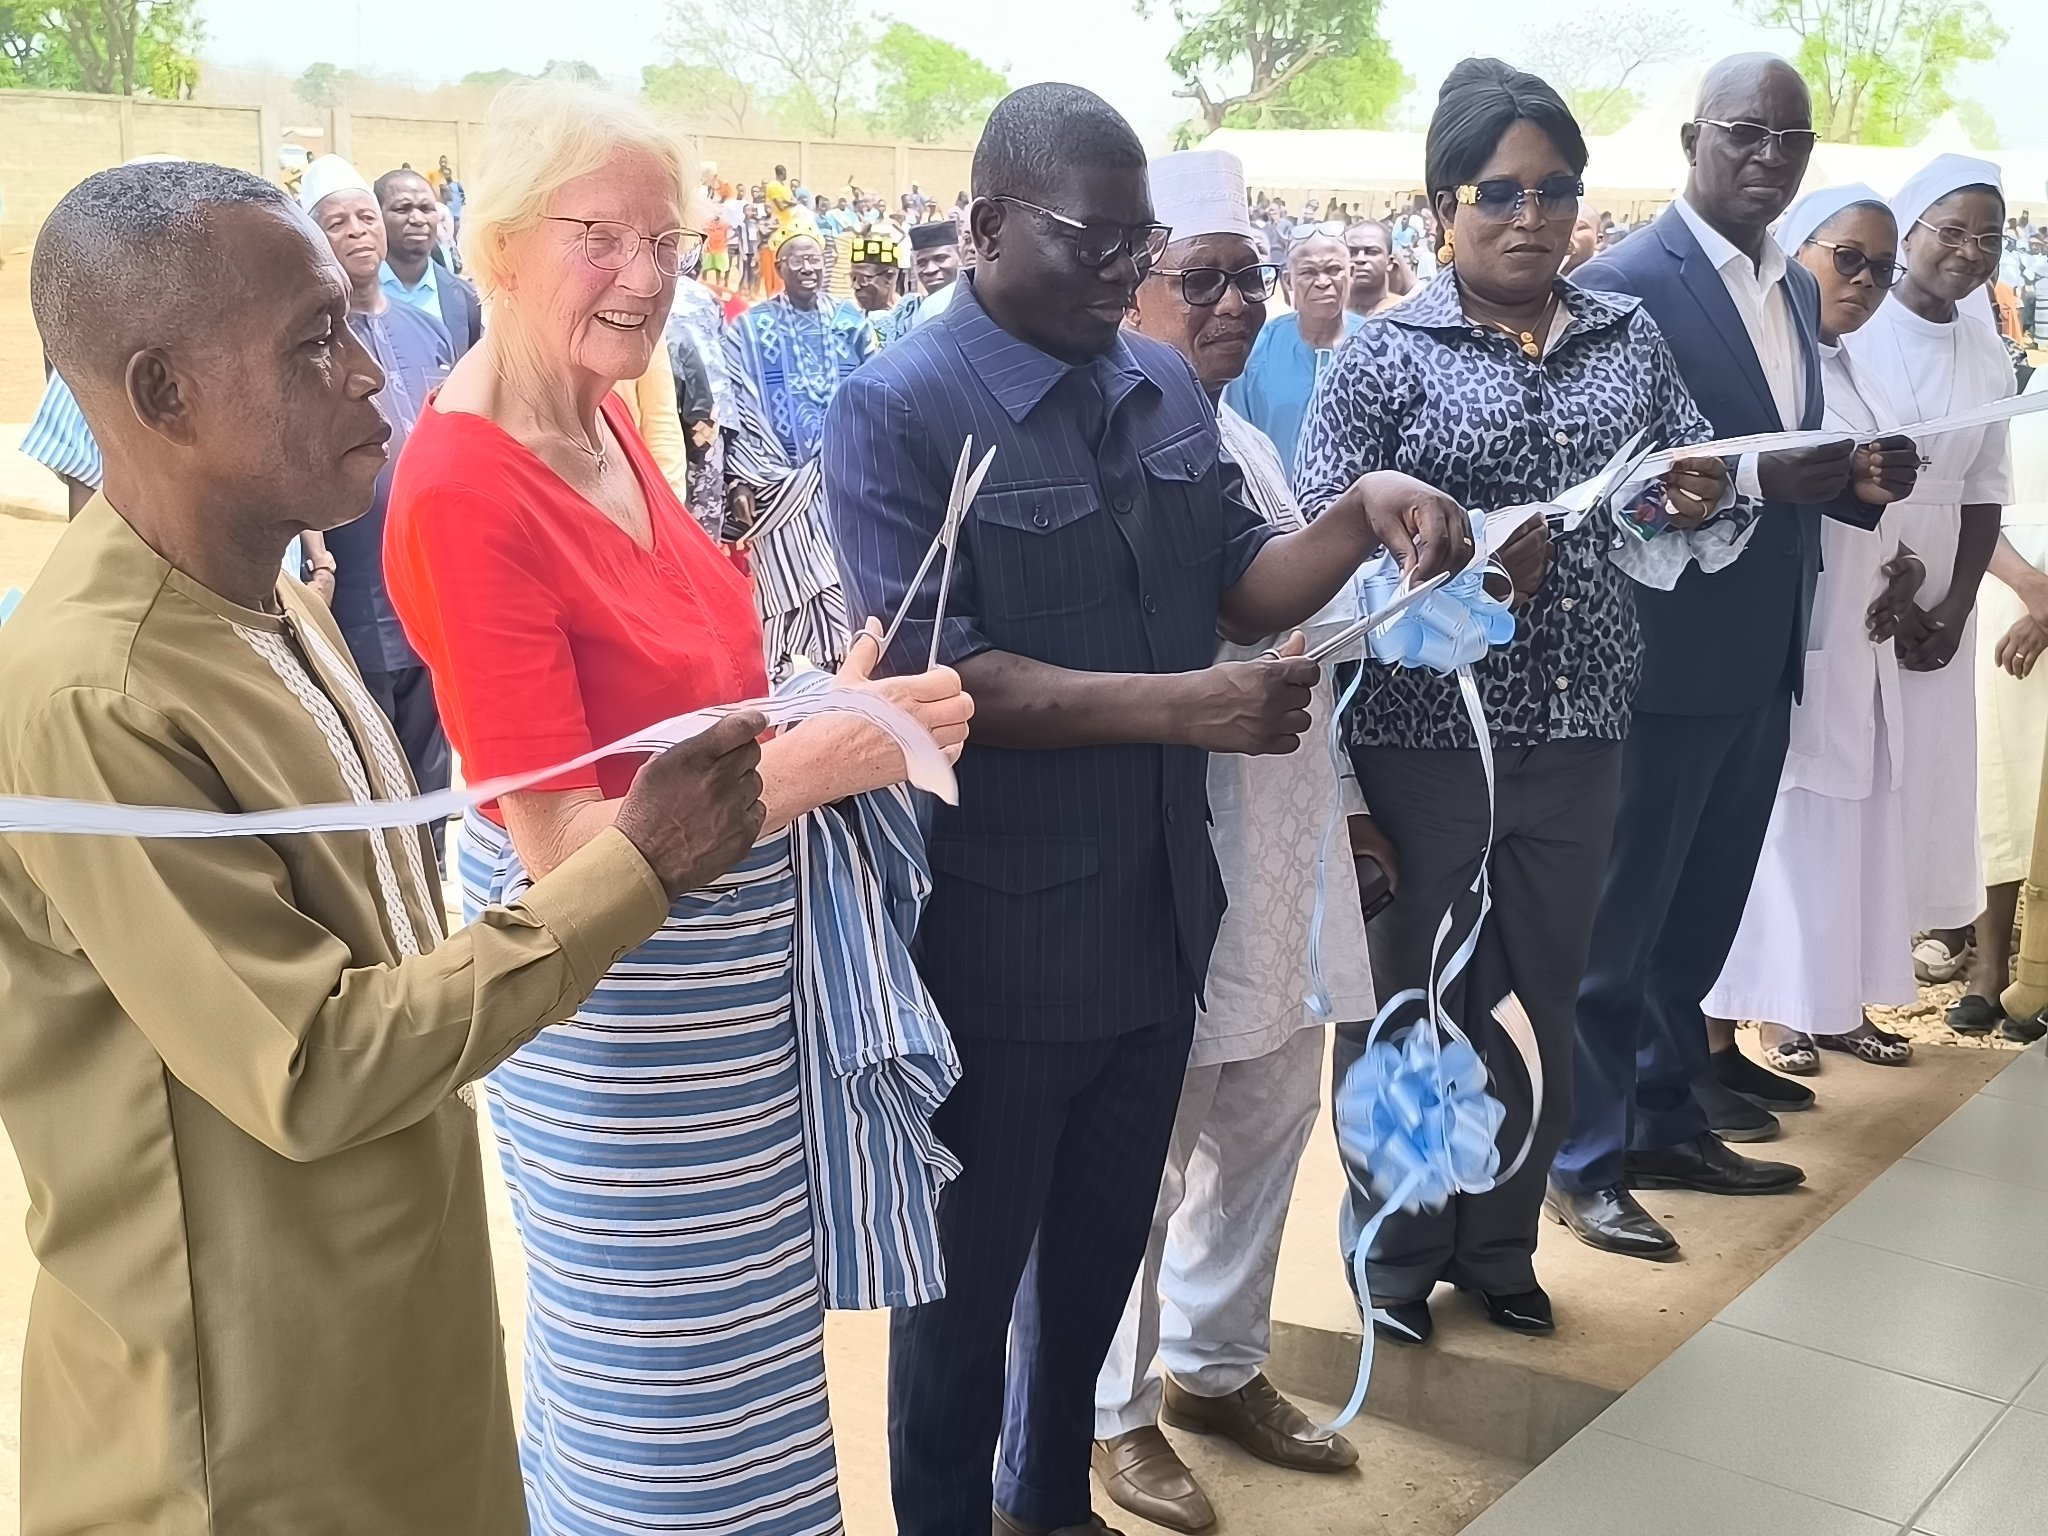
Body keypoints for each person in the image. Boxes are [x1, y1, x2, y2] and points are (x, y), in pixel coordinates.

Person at [1, 155, 771, 1536]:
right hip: (242, 1424)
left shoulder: (264, 595)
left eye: (357, 321)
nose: (374, 374)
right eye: (315, 342)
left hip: (386, 1330)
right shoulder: (97, 691)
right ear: (162, 392)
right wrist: (631, 869)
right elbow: (310, 1063)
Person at [825, 82, 1470, 1536]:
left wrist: (1362, 511)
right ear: (986, 227)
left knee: (1095, 1289)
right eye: (1094, 239)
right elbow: (939, 679)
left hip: (1156, 926)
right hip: (994, 953)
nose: (1130, 271)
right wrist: (1188, 707)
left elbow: (1242, 581)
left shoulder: (1157, 385)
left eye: (1144, 242)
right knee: (961, 1314)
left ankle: (1049, 1504)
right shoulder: (901, 409)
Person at [382, 83, 972, 1536]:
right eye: (601, 236)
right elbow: (576, 849)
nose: (645, 274)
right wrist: (846, 750)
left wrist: (815, 697)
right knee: (659, 1389)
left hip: (721, 1005)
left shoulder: (599, 418)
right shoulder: (465, 485)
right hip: (627, 1027)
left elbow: (676, 703)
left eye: (671, 238)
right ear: (502, 245)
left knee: (745, 1380)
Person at [1298, 58, 1734, 1343]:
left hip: (1583, 728)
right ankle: (1395, 1251)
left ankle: (1498, 1238)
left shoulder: (1626, 337)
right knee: (1417, 998)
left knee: (1540, 989)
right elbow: (1323, 571)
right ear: (1442, 205)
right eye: (1499, 191)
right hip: (1427, 744)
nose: (1530, 216)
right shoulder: (1384, 358)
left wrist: (1698, 492)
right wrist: (1468, 559)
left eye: (1555, 191)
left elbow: (1687, 481)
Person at [1550, 54, 1916, 1259]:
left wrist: (1854, 484)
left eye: (1789, 139)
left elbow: (1787, 454)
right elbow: (1600, 489)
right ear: (1688, 140)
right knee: (1618, 926)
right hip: (1653, 654)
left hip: (1765, 648)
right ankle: (1581, 1155)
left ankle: (1663, 1113)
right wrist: (1762, 476)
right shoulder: (1618, 284)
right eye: (1743, 133)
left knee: (1698, 911)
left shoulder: (1795, 292)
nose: (1768, 156)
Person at [1090, 148, 1373, 1535]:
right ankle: (1111, 1411)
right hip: (1175, 858)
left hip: (1287, 853)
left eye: (1245, 277)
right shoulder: (1114, 443)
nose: (1232, 303)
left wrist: (1360, 819)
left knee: (1269, 1119)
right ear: (1130, 289)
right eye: (1197, 278)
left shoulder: (1242, 438)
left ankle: (1216, 1365)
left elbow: (1312, 640)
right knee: (1145, 1151)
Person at [1701, 185, 1928, 1073]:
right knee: (1776, 841)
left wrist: (1904, 566)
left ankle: (1830, 1003)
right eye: (1849, 259)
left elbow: (1882, 490)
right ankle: (1756, 1024)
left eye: (1882, 266)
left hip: (1861, 633)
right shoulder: (1776, 362)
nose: (1866, 281)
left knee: (1845, 836)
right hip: (1791, 630)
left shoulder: (1858, 364)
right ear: (1798, 252)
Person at [1847, 157, 2018, 1037]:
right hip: (1860, 574)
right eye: (1951, 230)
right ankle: (1806, 1008)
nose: (1969, 250)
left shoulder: (1986, 343)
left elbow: (1987, 486)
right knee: (1854, 783)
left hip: (1947, 586)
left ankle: (1864, 993)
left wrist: (1951, 609)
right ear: (1909, 230)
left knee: (1924, 791)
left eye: (1987, 237)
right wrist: (1905, 594)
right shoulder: (1857, 329)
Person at [300, 155, 457, 827]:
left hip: (434, 575)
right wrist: (320, 557)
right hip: (356, 580)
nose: (360, 232)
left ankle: (433, 889)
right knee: (371, 759)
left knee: (433, 757)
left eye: (367, 217)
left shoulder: (430, 328)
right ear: (314, 239)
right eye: (338, 223)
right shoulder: (311, 344)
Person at [725, 227, 876, 674]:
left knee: (844, 580)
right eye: (797, 261)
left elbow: (878, 395)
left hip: (844, 483)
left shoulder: (853, 323)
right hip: (779, 486)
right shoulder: (749, 330)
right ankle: (783, 679)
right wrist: (743, 479)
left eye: (814, 260)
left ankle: (846, 670)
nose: (808, 268)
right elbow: (739, 407)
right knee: (785, 588)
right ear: (779, 268)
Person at [1966, 369, 2048, 1043]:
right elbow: (1974, 503)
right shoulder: (2017, 384)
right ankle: (1986, 973)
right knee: (1997, 788)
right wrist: (2028, 587)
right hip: (2003, 605)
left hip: (2041, 616)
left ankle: (2040, 978)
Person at [1221, 228, 1358, 477]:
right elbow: (1236, 437)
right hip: (1275, 505)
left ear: (1351, 273)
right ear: (1287, 280)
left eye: (1333, 269)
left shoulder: (1376, 345)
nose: (1323, 282)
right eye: (1308, 272)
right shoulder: (1257, 347)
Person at [376, 166, 484, 359]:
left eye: (426, 209)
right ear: (377, 216)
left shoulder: (466, 299)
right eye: (403, 208)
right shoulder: (351, 298)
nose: (418, 219)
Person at [847, 225, 904, 329]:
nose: (856, 286)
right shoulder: (848, 320)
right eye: (854, 278)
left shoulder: (908, 318)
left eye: (864, 279)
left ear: (889, 276)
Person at [1343, 218, 1401, 316]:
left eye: (1372, 252)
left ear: (1390, 263)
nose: (1360, 259)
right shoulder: (1327, 313)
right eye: (1351, 252)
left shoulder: (1405, 312)